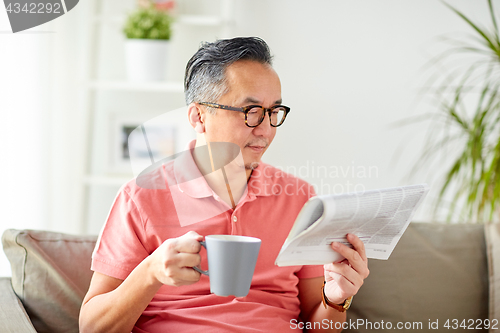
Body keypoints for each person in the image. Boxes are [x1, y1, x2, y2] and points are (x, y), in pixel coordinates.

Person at [79, 37, 369, 333]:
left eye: (273, 112)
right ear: (199, 116)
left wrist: (335, 301)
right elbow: (92, 327)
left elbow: (317, 325)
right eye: (251, 112)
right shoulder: (140, 197)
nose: (266, 130)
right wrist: (151, 273)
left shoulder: (300, 199)